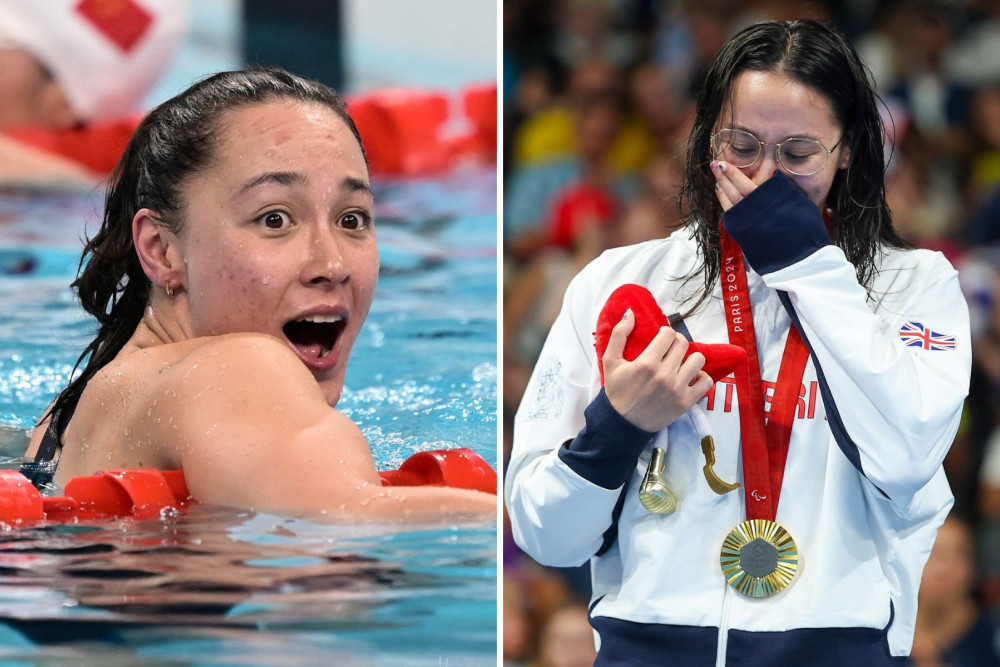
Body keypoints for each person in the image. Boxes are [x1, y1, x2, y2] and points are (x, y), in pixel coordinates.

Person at [505, 19, 971, 665]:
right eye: (743, 145)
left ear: (848, 150)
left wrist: (805, 264)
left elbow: (905, 457)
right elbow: (544, 532)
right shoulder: (618, 281)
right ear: (705, 141)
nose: (765, 180)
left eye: (798, 153)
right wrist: (616, 427)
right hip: (646, 645)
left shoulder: (915, 288)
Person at [20, 67, 496, 520]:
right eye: (274, 219)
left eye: (352, 219)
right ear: (161, 249)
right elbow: (347, 523)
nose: (332, 265)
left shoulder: (63, 417)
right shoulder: (235, 367)